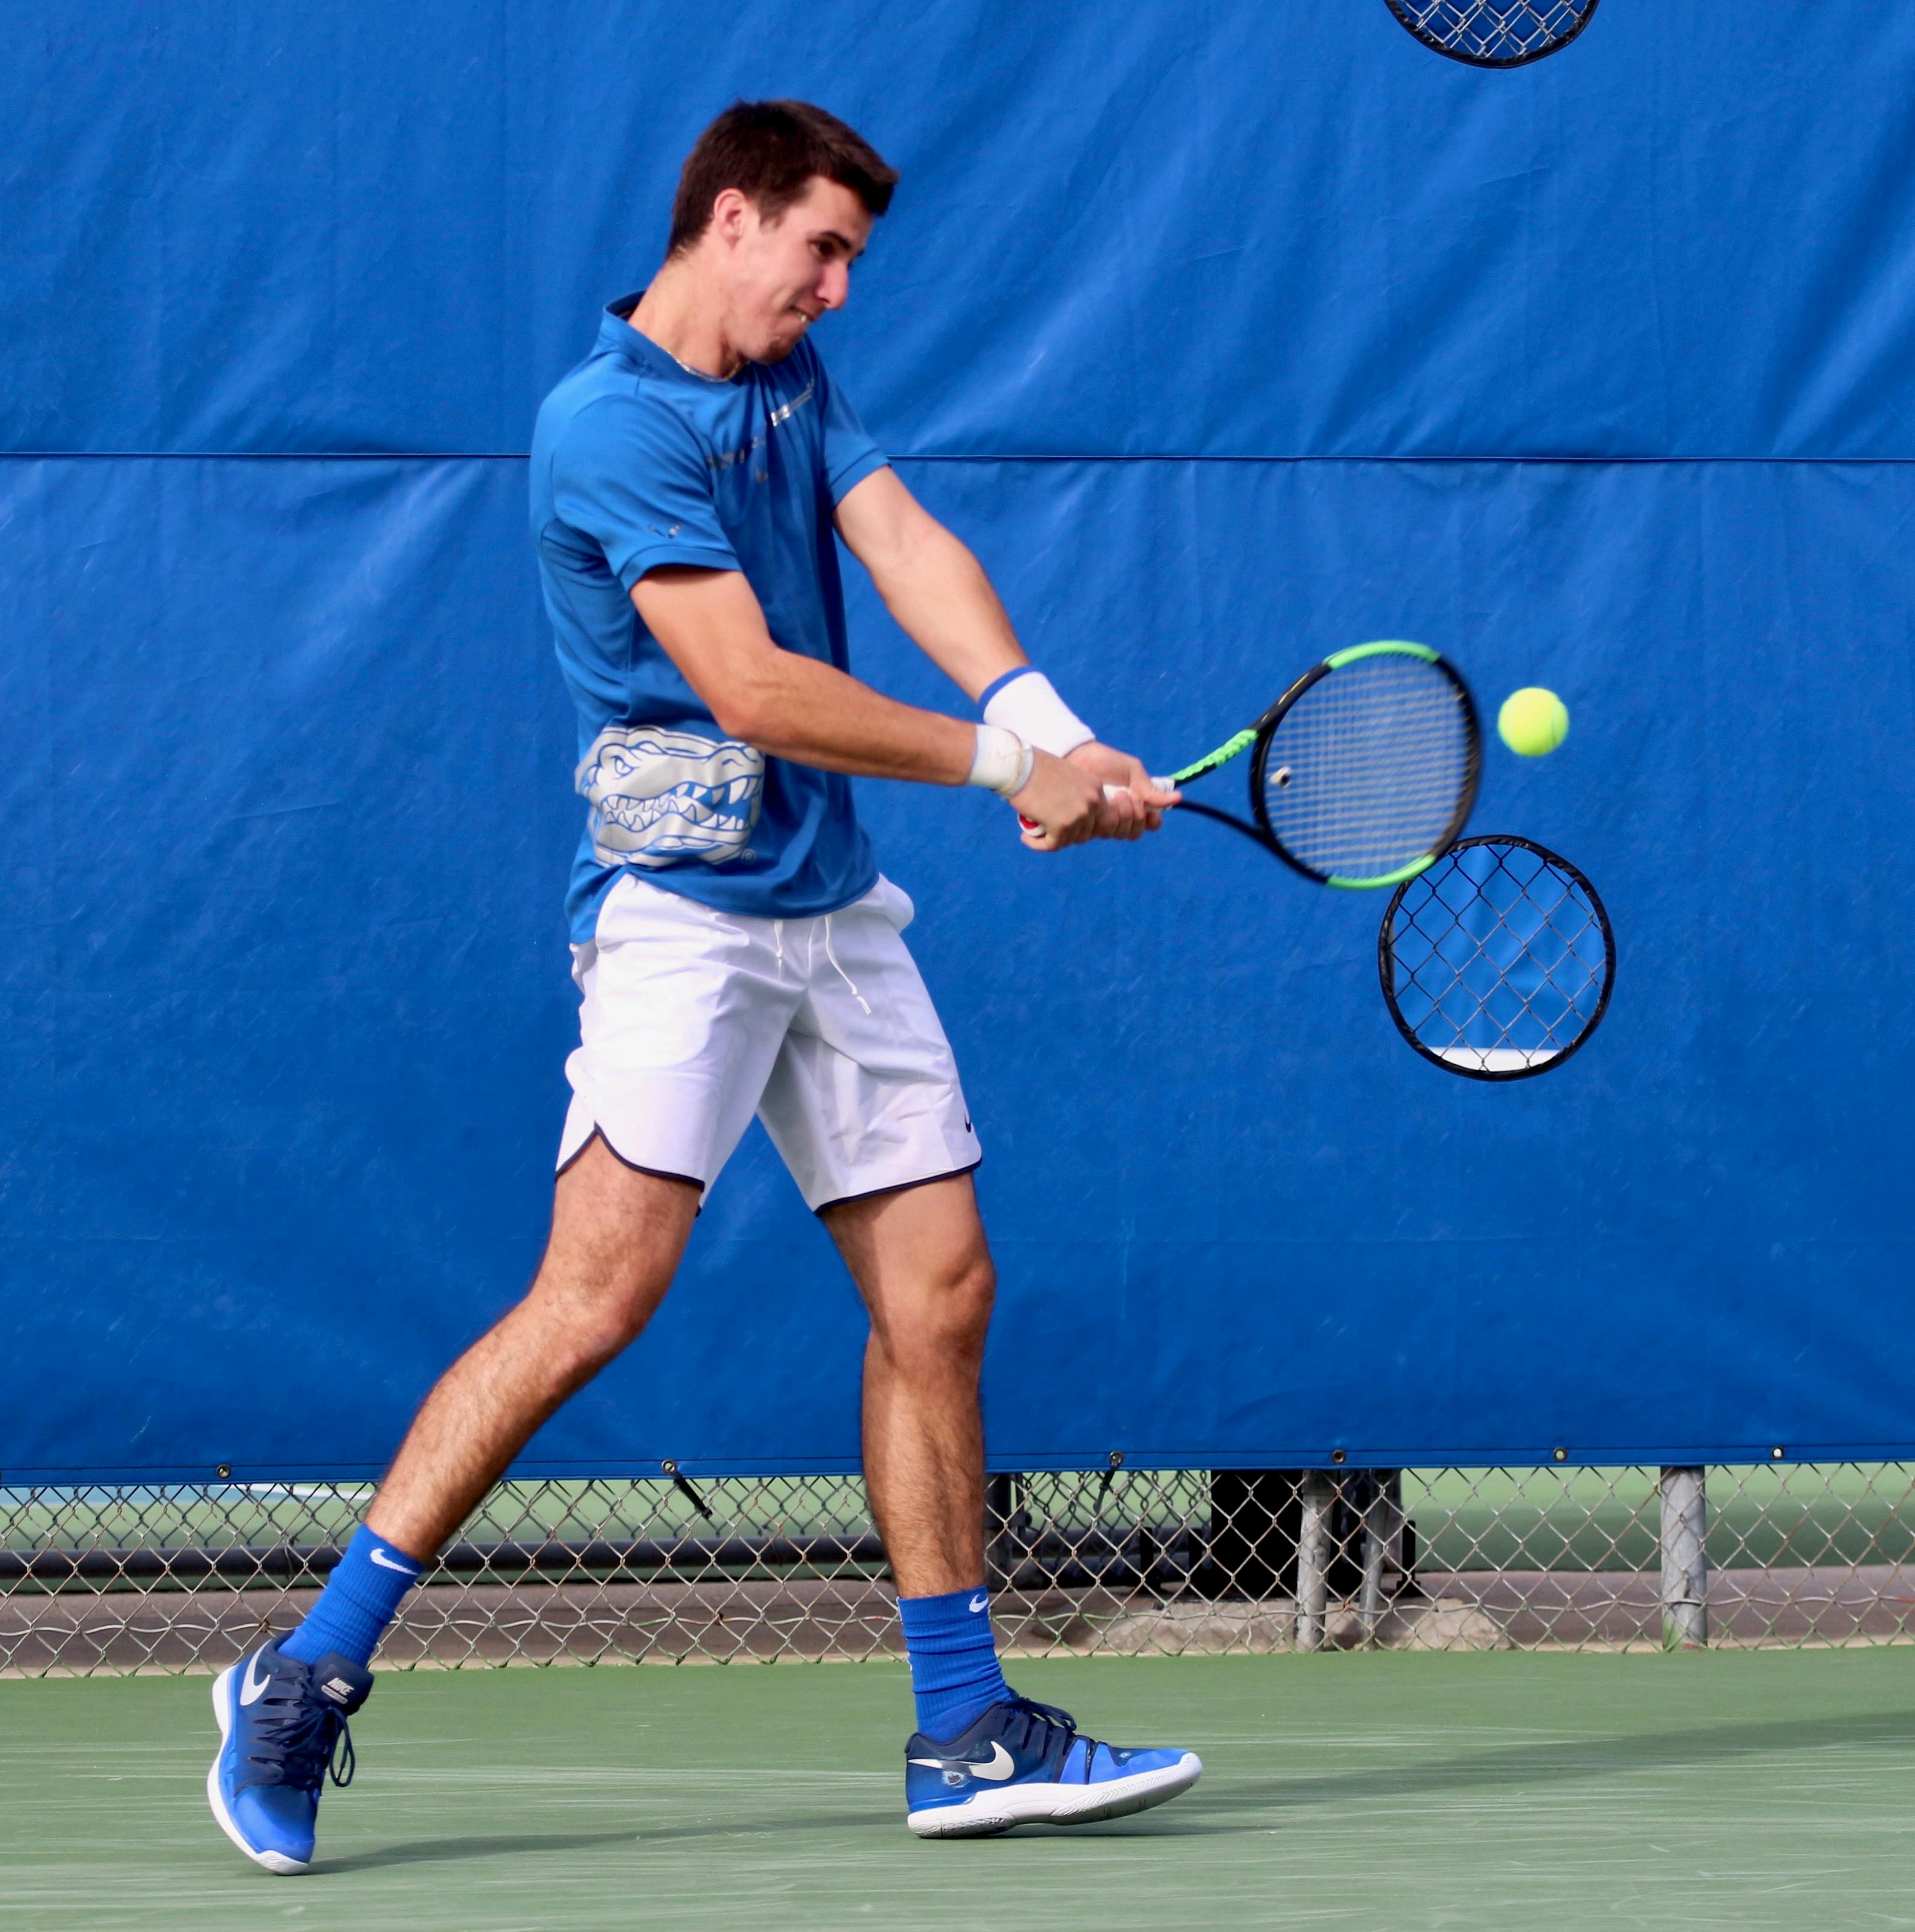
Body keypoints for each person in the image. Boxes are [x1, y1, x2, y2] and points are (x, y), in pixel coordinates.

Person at [207, 99, 1202, 1876]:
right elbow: (749, 686)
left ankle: (966, 1727)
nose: (835, 290)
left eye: (852, 264)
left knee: (941, 1290)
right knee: (595, 1301)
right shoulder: (606, 426)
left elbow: (898, 544)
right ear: (727, 220)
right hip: (681, 917)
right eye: (820, 250)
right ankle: (307, 1670)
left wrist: (1048, 721)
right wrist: (999, 772)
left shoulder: (790, 386)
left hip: (834, 908)